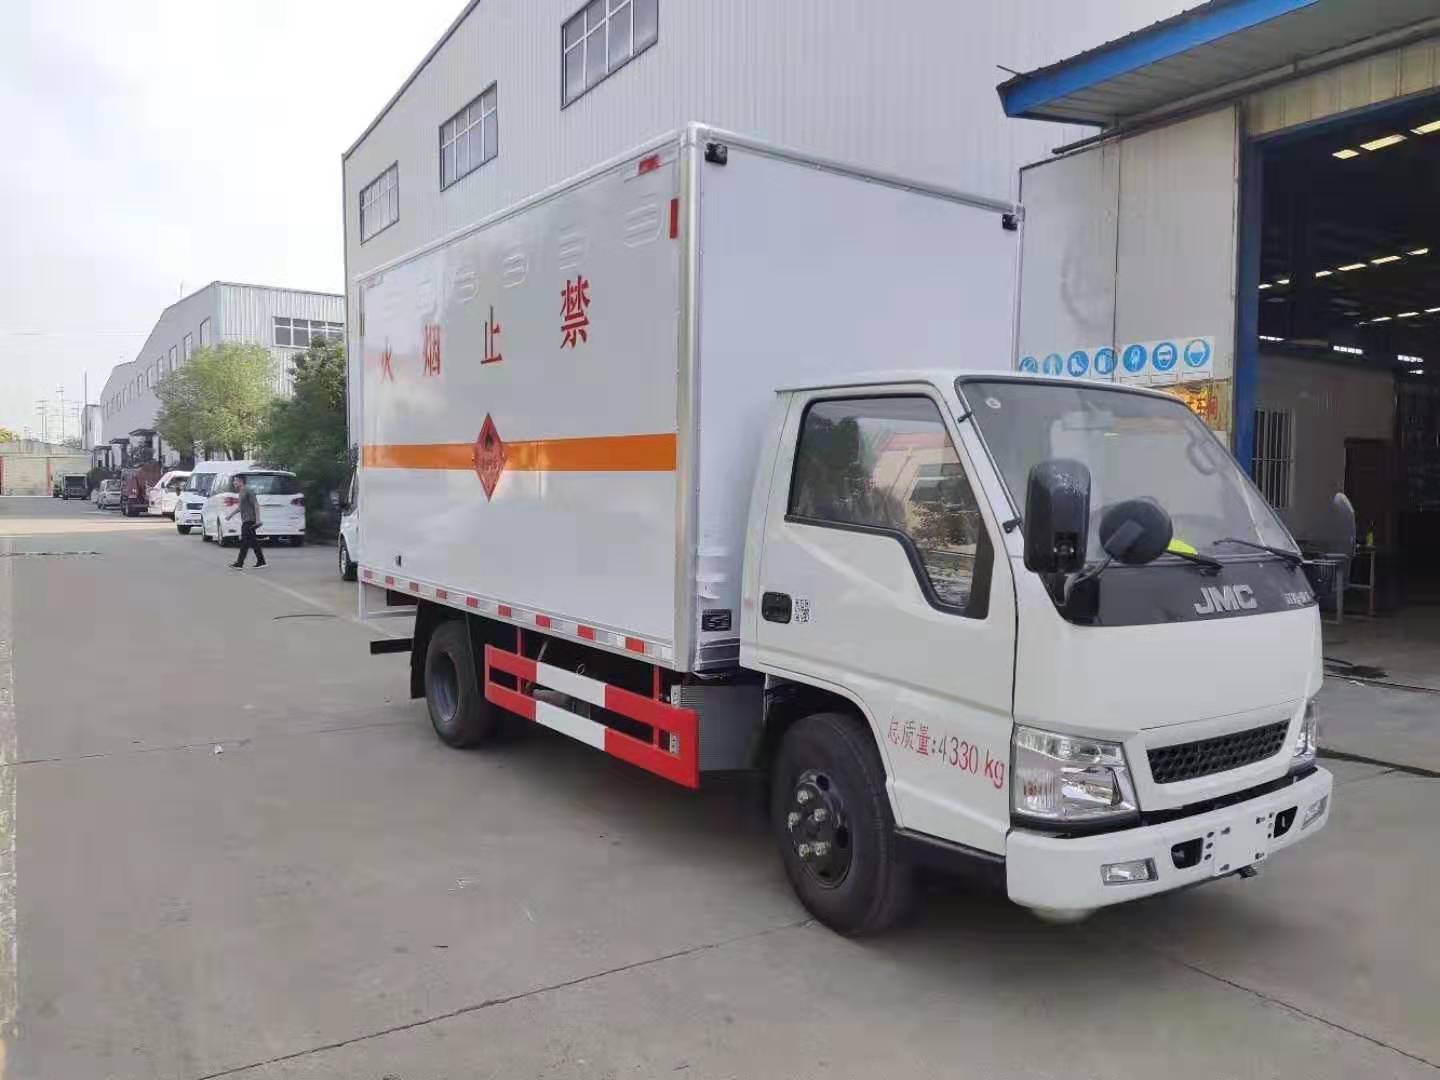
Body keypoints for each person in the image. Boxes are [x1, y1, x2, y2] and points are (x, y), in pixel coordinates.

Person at [227, 475, 267, 570]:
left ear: (241, 481)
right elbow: (240, 507)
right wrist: (230, 515)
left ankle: (239, 563)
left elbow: (256, 504)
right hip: (246, 519)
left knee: (245, 542)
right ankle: (261, 561)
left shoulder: (248, 490)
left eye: (235, 481)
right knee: (253, 542)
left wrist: (258, 519)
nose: (234, 483)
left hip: (250, 520)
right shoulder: (241, 492)